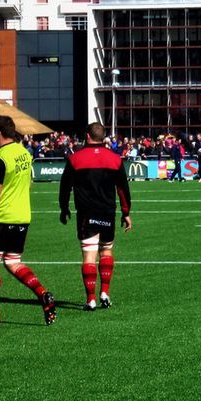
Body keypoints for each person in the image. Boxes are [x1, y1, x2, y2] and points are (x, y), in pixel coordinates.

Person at [0, 115, 56, 327]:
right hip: (23, 215)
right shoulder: (24, 153)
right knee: (12, 262)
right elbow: (28, 182)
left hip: (3, 216)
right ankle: (43, 294)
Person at [59, 122, 133, 310]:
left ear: (87, 136)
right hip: (108, 212)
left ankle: (90, 299)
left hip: (87, 213)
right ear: (103, 137)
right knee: (106, 251)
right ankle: (105, 293)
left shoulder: (75, 159)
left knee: (89, 256)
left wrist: (64, 208)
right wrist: (126, 213)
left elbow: (65, 187)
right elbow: (123, 189)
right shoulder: (115, 159)